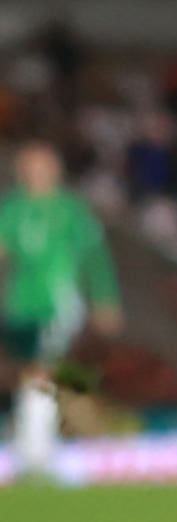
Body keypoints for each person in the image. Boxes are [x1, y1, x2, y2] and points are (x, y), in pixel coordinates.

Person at [2, 139, 119, 483]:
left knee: (43, 370)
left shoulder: (71, 210)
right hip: (19, 306)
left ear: (55, 170)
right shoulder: (12, 209)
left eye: (42, 166)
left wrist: (105, 298)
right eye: (29, 167)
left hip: (58, 304)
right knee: (29, 373)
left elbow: (96, 257)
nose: (35, 173)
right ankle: (30, 442)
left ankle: (36, 453)